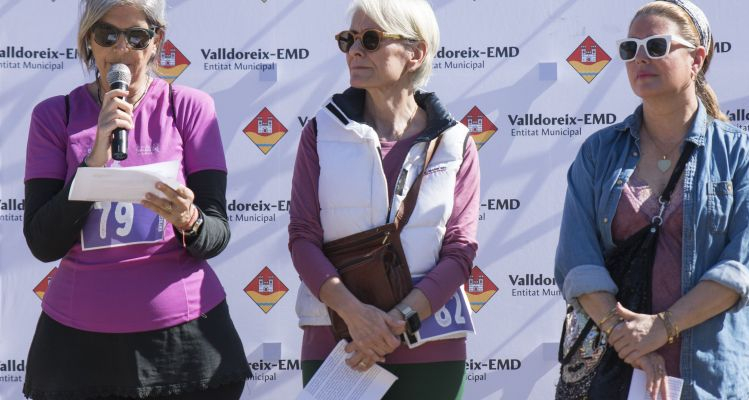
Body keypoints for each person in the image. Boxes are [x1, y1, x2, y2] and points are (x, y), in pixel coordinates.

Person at [22, 1, 251, 399]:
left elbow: (216, 232)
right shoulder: (53, 115)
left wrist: (189, 219)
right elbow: (43, 242)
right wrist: (95, 158)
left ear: (156, 41)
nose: (121, 48)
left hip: (185, 346)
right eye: (106, 34)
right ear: (88, 40)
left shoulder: (189, 108)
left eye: (136, 36)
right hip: (78, 352)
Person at [554, 1, 749, 399]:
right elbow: (577, 260)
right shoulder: (598, 152)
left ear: (697, 59)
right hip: (617, 374)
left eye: (656, 46)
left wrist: (661, 328)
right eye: (630, 49)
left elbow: (744, 267)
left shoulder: (742, 155)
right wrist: (630, 341)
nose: (640, 58)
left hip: (713, 381)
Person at [288, 0, 480, 398]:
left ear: (416, 53)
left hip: (432, 347)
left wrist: (398, 321)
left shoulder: (456, 142)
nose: (355, 51)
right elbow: (303, 237)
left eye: (371, 39)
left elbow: (460, 251)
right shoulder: (320, 132)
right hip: (339, 342)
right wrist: (356, 316)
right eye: (349, 39)